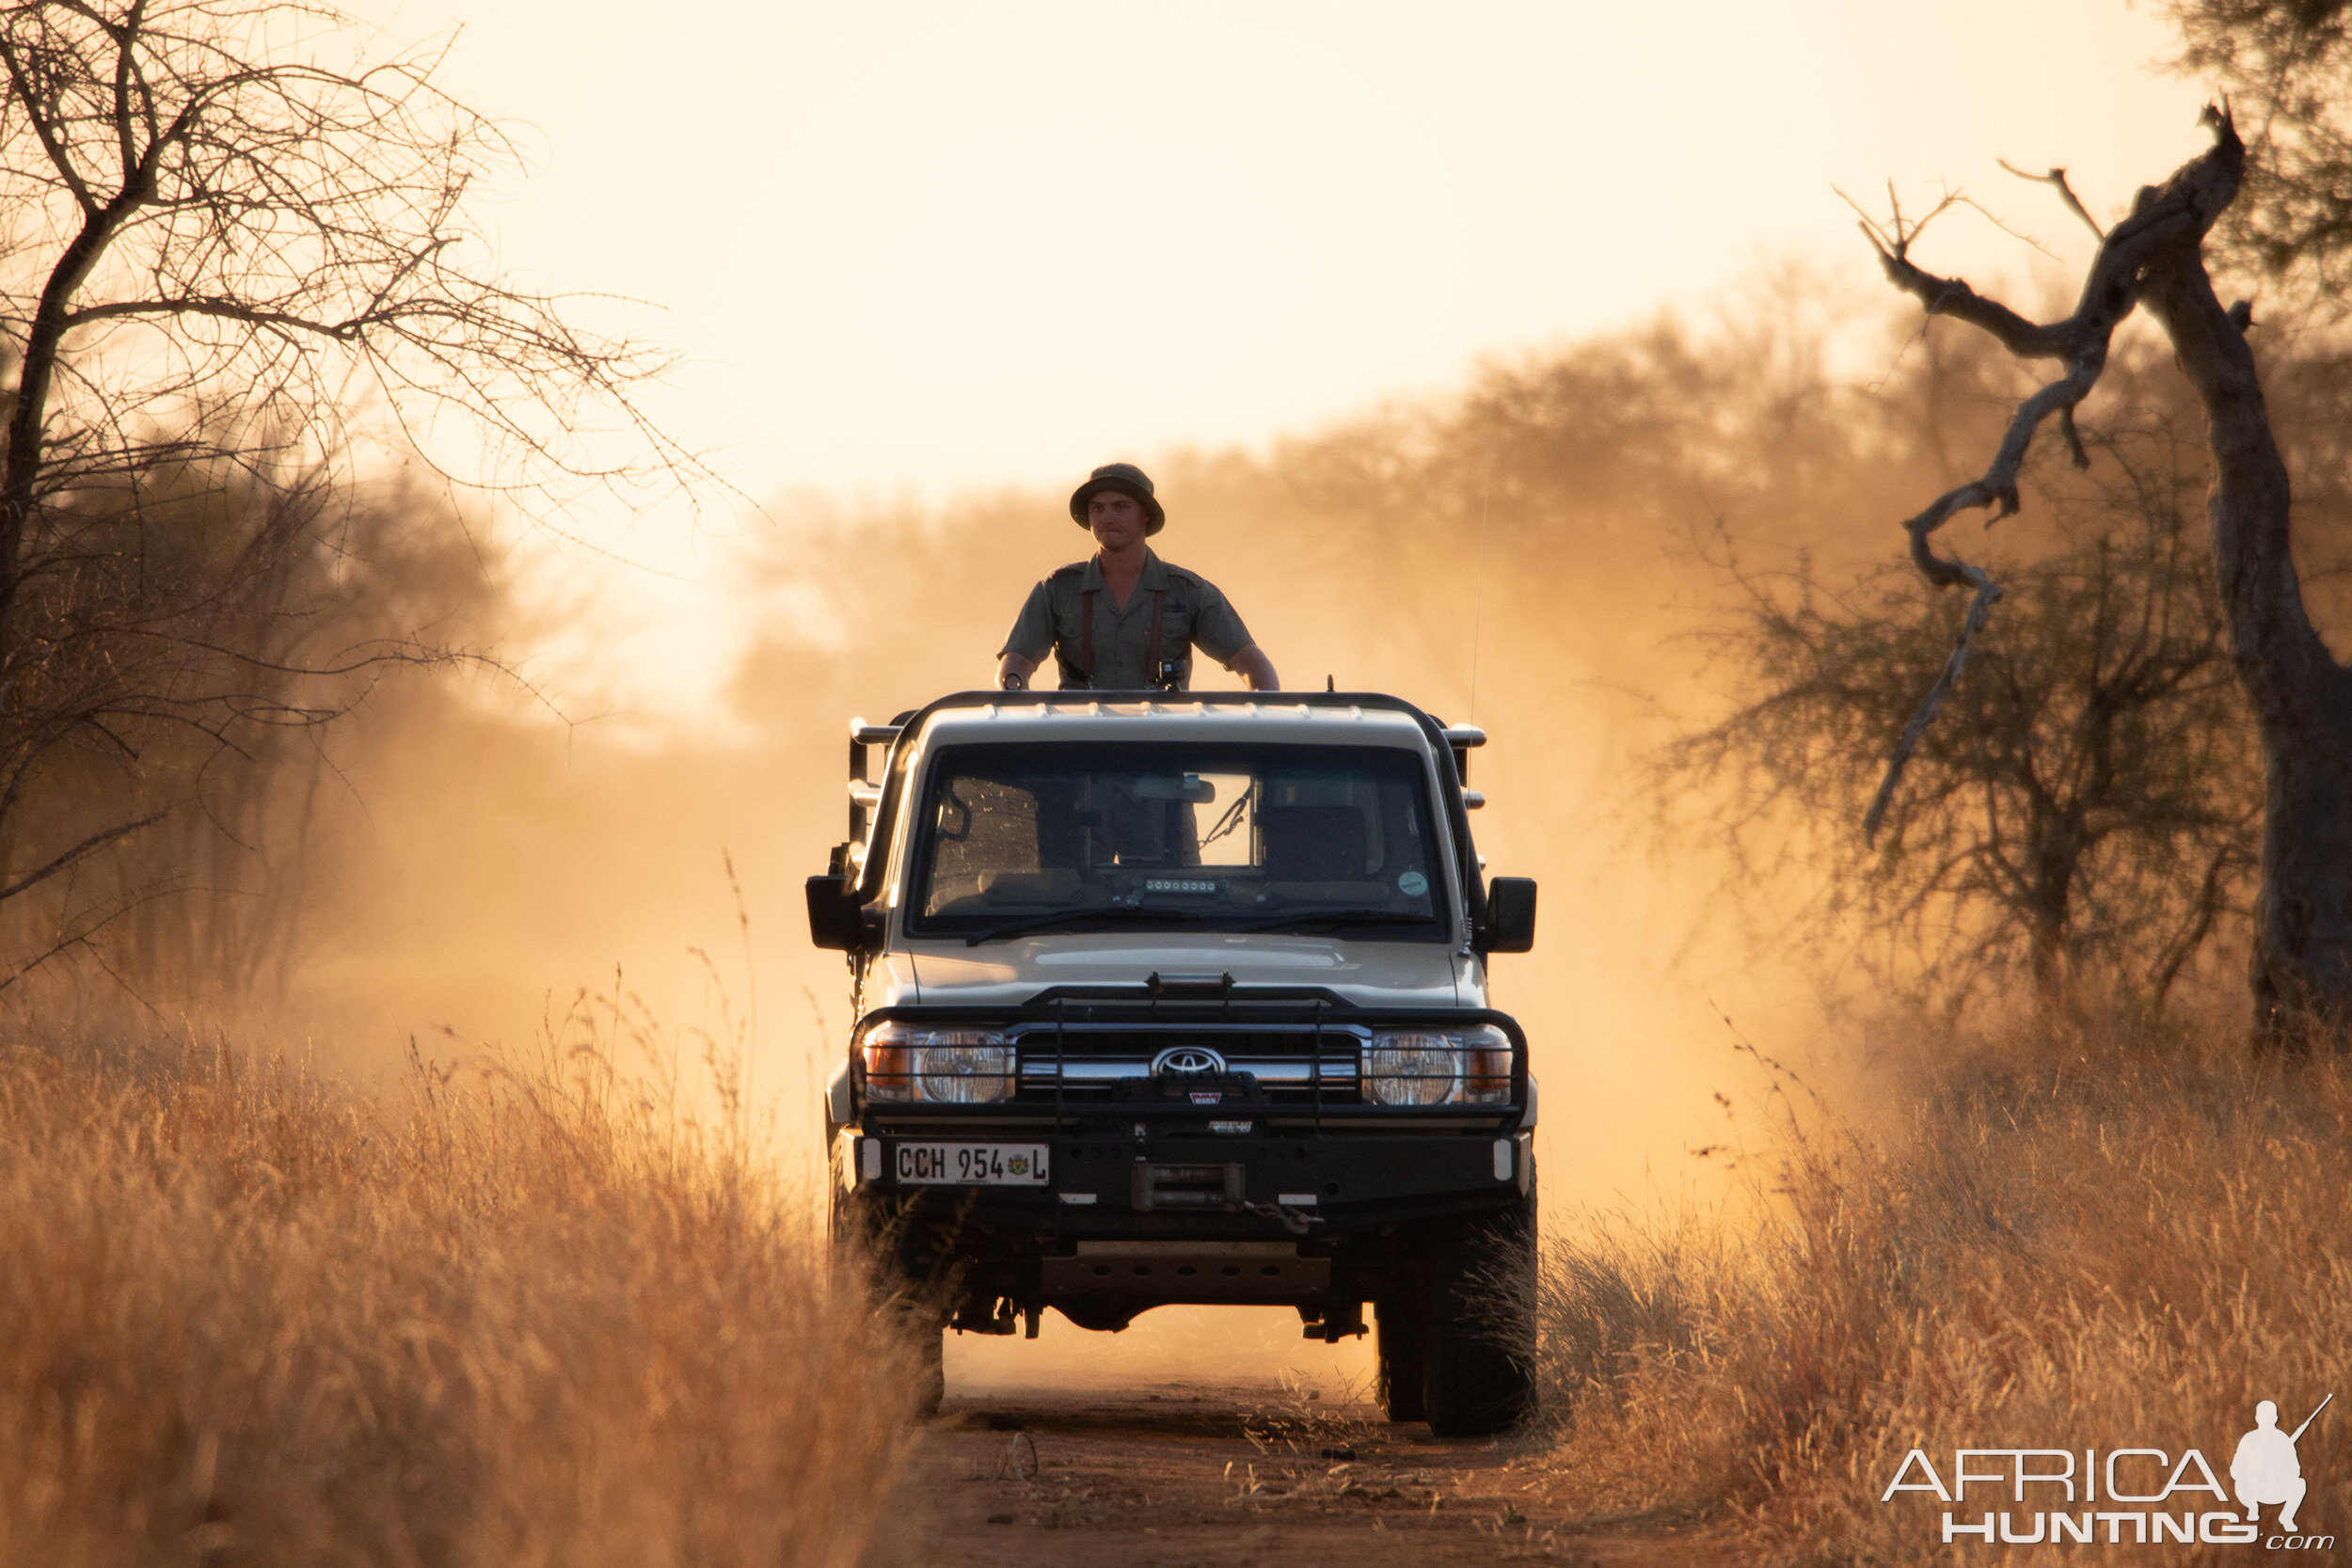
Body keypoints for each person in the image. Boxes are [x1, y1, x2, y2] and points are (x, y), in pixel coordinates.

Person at [996, 462, 1279, 692]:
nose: (1107, 517)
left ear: (1145, 515)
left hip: (1160, 743)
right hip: (1079, 742)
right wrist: (1015, 693)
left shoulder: (1188, 591)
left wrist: (1265, 715)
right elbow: (1015, 663)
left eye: (1120, 507)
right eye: (1098, 508)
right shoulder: (1058, 589)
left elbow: (1250, 663)